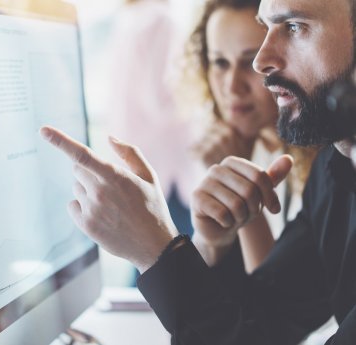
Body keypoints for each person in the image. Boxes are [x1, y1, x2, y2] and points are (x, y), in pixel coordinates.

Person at [39, 0, 356, 343]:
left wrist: (157, 253)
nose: (261, 62)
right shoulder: (335, 169)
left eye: (294, 27)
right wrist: (212, 246)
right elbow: (261, 326)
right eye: (268, 28)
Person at [184, 0, 317, 273]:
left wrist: (245, 203)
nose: (232, 86)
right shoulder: (240, 144)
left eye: (250, 63)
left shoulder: (325, 161)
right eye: (220, 62)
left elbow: (276, 300)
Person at [104, 0, 195, 235]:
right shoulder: (161, 21)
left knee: (148, 252)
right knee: (176, 254)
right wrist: (203, 99)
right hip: (167, 170)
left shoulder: (126, 22)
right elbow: (161, 101)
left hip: (138, 163)